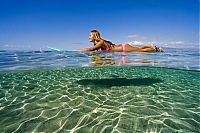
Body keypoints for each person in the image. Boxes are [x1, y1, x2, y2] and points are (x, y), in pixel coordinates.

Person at [80, 30, 163, 52]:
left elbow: (90, 49)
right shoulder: (99, 43)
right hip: (122, 47)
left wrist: (79, 51)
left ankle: (156, 50)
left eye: (90, 35)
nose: (88, 37)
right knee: (139, 48)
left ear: (95, 36)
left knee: (140, 51)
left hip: (123, 48)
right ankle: (152, 47)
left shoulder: (101, 42)